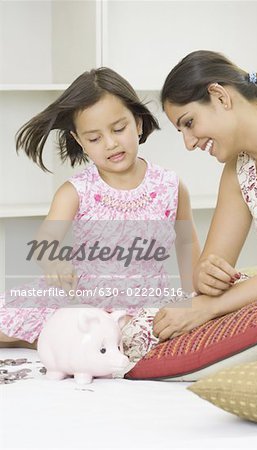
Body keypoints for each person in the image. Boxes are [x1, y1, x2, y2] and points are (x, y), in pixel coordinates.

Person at [0, 67, 200, 349]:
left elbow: (187, 242)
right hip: (82, 298)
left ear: (139, 123)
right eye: (94, 138)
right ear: (80, 141)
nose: (111, 143)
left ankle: (64, 342)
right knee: (13, 322)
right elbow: (47, 238)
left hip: (142, 303)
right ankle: (40, 340)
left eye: (119, 129)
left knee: (133, 339)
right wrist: (54, 262)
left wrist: (192, 300)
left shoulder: (170, 185)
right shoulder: (76, 191)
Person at [153, 50, 257, 342]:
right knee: (154, 327)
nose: (189, 143)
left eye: (189, 123)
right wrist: (206, 275)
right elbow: (208, 269)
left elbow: (210, 302)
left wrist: (213, 306)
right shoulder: (240, 171)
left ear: (220, 96)